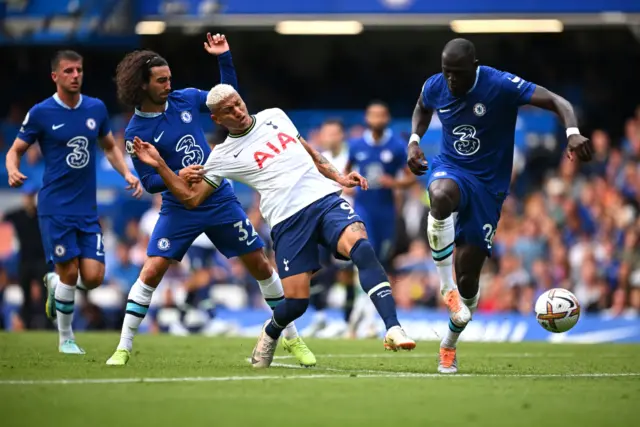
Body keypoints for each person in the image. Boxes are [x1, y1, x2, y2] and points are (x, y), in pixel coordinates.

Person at [131, 83, 417, 368]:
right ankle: (270, 332)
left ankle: (393, 328)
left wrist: (339, 178)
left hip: (324, 201)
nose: (238, 111)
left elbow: (311, 153)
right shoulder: (219, 156)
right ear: (217, 119)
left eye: (238, 103)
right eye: (228, 110)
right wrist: (160, 166)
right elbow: (191, 199)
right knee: (296, 304)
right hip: (287, 222)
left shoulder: (275, 116)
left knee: (363, 249)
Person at [106, 33, 315, 367]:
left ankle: (291, 338)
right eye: (161, 80)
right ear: (142, 85)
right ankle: (124, 346)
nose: (168, 85)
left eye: (170, 77)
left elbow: (227, 100)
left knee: (260, 265)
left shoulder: (185, 99)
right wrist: (178, 177)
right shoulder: (135, 133)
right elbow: (149, 182)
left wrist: (224, 59)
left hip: (218, 198)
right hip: (179, 207)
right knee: (151, 270)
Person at [406, 38, 593, 373]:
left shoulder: (498, 83)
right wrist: (414, 141)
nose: (451, 79)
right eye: (447, 72)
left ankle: (448, 345)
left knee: (469, 281)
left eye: (458, 73)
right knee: (440, 194)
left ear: (474, 66)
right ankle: (444, 288)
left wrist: (572, 132)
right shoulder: (436, 85)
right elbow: (422, 106)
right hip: (453, 167)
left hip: (489, 188)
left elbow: (555, 100)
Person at [5, 50, 142, 354]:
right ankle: (66, 337)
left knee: (93, 278)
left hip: (86, 209)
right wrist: (13, 169)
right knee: (69, 273)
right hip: (55, 207)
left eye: (79, 70)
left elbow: (109, 147)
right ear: (55, 76)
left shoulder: (95, 108)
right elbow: (15, 150)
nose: (75, 75)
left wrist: (127, 174)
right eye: (68, 71)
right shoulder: (41, 113)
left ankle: (57, 286)